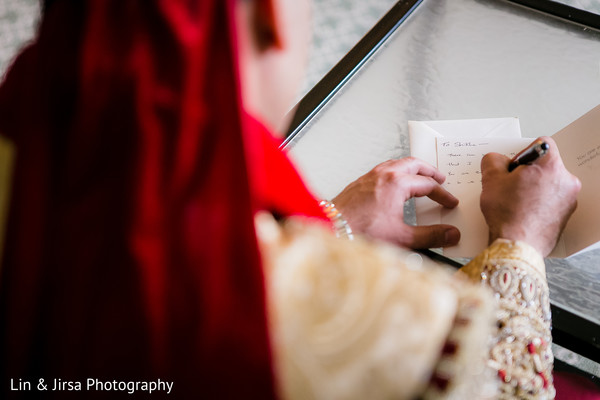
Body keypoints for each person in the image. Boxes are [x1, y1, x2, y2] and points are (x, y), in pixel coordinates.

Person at [0, 0, 586, 399]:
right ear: (274, 19)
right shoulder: (400, 321)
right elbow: (511, 383)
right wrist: (521, 241)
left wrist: (329, 226)